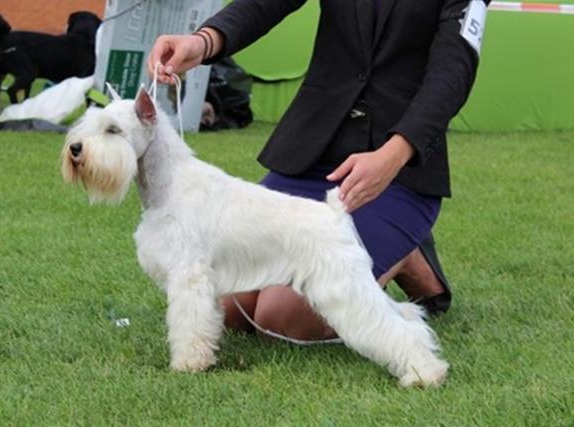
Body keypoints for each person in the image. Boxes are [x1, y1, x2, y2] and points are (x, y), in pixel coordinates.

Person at [147, 0, 489, 340]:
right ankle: (401, 250)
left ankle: (401, 250)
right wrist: (203, 41)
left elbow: (453, 71)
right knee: (229, 307)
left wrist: (394, 154)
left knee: (279, 317)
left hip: (394, 169)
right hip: (312, 152)